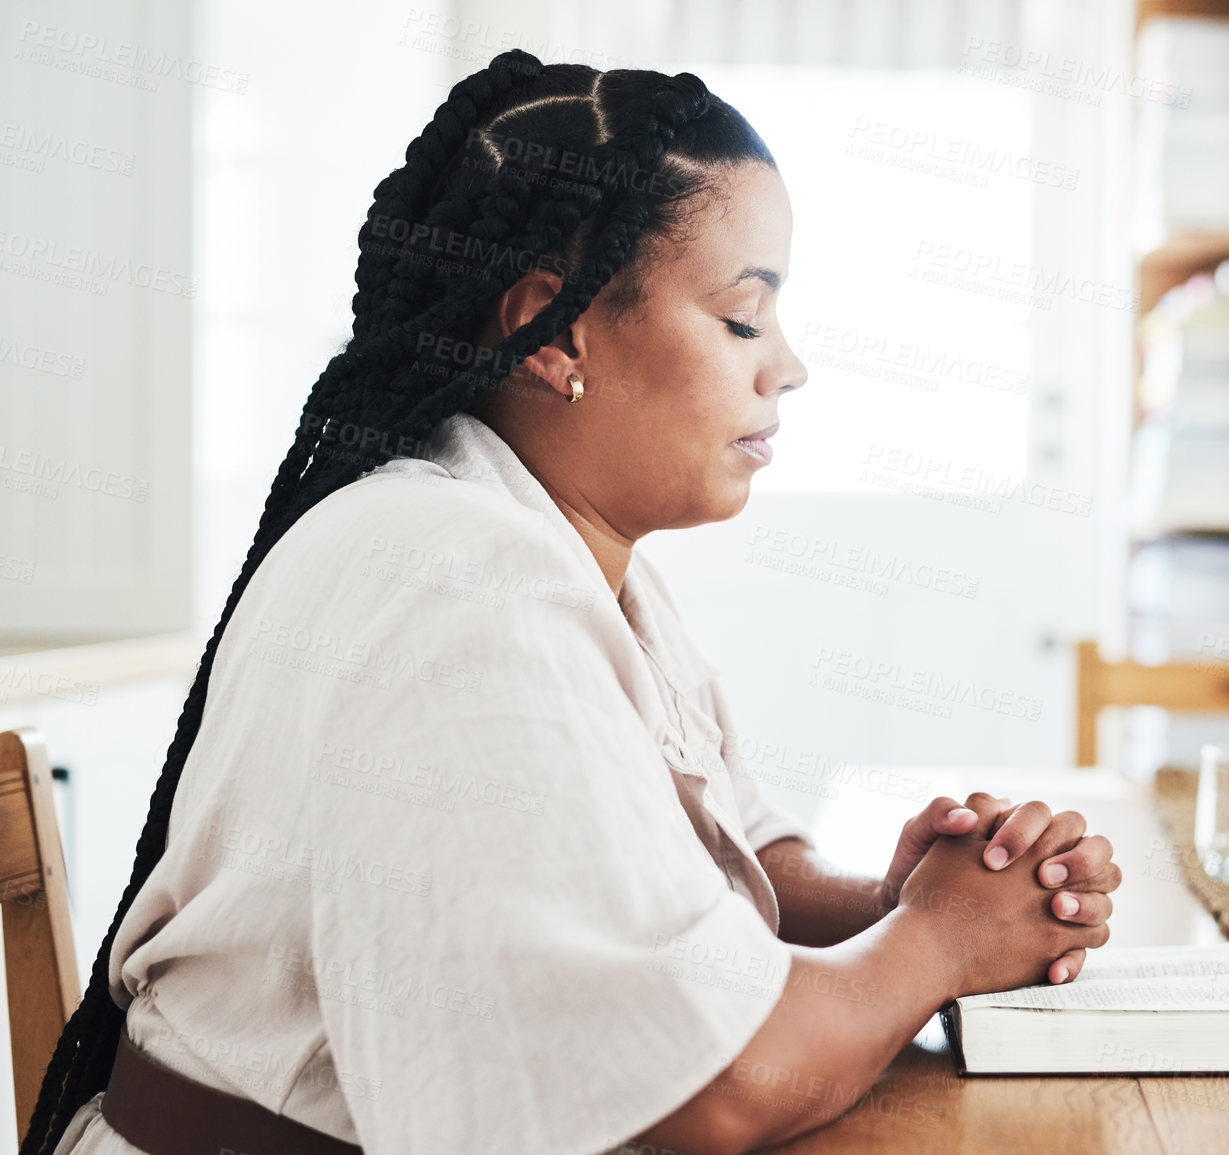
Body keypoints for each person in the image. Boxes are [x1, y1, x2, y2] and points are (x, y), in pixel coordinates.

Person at [27, 51, 1119, 1155]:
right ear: (556, 333)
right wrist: (937, 944)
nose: (789, 368)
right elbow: (716, 1092)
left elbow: (726, 864)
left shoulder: (552, 548)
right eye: (744, 321)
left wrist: (905, 899)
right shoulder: (457, 585)